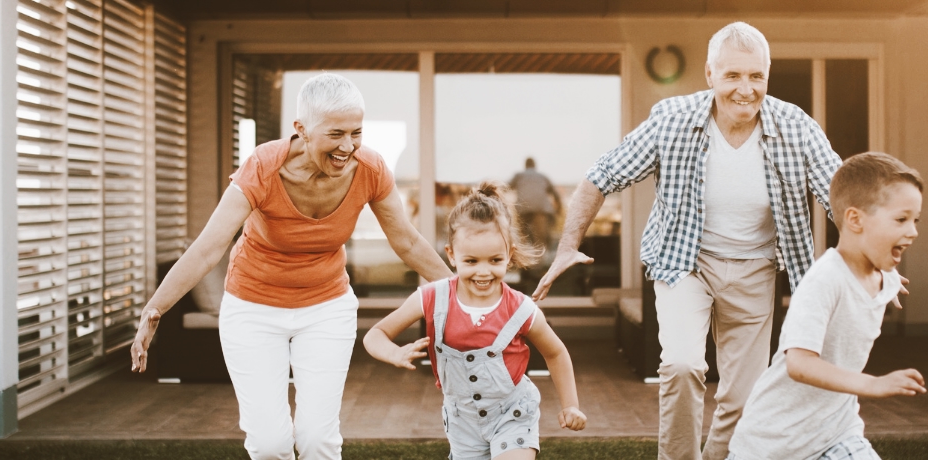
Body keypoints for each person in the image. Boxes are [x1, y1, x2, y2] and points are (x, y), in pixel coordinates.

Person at [533, 22, 888, 460]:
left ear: (767, 76)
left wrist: (873, 261)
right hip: (686, 265)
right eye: (733, 75)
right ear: (709, 75)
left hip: (757, 269)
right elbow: (599, 177)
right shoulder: (673, 120)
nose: (745, 89)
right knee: (682, 366)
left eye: (756, 76)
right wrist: (568, 245)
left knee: (743, 399)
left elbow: (842, 197)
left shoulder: (796, 126)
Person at [128, 74, 453, 460]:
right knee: (270, 445)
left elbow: (408, 242)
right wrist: (154, 310)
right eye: (335, 134)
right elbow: (207, 248)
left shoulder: (370, 169)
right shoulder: (263, 168)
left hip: (326, 307)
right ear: (301, 129)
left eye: (356, 132)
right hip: (252, 308)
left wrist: (465, 292)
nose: (348, 146)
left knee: (317, 440)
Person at [364, 182, 587, 460]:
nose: (483, 272)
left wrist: (571, 405)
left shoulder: (521, 309)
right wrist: (393, 351)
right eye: (471, 261)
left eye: (495, 260)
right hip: (462, 422)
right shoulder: (432, 298)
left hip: (513, 413)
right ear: (452, 255)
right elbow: (375, 334)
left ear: (509, 256)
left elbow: (555, 352)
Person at [727, 152, 927, 460]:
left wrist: (892, 278)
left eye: (915, 220)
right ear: (855, 219)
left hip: (836, 432)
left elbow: (879, 271)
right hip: (773, 444)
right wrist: (871, 384)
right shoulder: (824, 280)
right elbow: (800, 363)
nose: (912, 230)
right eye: (901, 219)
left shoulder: (881, 272)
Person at [508, 157, 562, 251]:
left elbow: (507, 187)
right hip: (541, 209)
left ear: (525, 166)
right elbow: (556, 195)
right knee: (541, 238)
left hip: (523, 209)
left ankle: (526, 258)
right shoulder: (542, 176)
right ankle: (543, 260)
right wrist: (558, 211)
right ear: (535, 165)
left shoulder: (519, 176)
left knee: (523, 235)